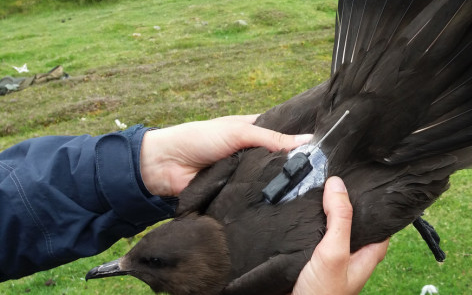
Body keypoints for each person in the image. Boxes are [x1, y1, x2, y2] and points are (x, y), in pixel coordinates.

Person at [0, 115, 388, 294]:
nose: (109, 269)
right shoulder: (201, 208)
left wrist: (149, 161)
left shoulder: (197, 200)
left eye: (147, 259)